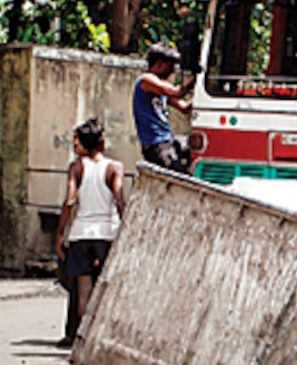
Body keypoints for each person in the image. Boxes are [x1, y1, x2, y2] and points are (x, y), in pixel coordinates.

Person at [55, 118, 125, 334]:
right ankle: (102, 334)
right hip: (107, 232)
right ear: (102, 142)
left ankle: (83, 335)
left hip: (81, 234)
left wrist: (59, 234)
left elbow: (69, 202)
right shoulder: (115, 167)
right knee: (108, 288)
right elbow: (120, 200)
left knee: (83, 290)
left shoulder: (76, 168)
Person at [133, 43, 195, 173]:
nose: (172, 71)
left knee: (193, 145)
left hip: (168, 141)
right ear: (160, 63)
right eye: (170, 66)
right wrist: (196, 78)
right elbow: (176, 92)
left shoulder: (161, 90)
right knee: (181, 179)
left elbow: (184, 107)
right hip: (156, 146)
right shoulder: (146, 80)